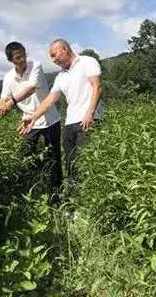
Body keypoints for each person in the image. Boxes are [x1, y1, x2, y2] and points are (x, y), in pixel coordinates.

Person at [18, 39, 103, 197]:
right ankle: (73, 201)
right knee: (70, 164)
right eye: (51, 57)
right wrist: (34, 117)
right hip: (70, 123)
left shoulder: (87, 62)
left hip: (89, 120)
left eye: (54, 55)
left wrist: (90, 112)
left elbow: (97, 86)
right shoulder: (61, 77)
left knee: (85, 164)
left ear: (64, 49)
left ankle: (88, 202)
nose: (53, 59)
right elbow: (50, 100)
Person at [0, 41, 63, 195]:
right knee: (24, 157)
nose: (22, 59)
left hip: (50, 119)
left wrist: (12, 103)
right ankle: (29, 190)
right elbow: (3, 98)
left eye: (23, 55)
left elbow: (31, 88)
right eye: (18, 57)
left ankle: (57, 194)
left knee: (54, 158)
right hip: (29, 123)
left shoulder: (35, 66)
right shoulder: (9, 77)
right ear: (10, 60)